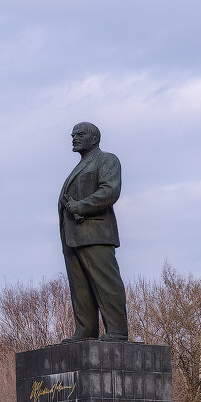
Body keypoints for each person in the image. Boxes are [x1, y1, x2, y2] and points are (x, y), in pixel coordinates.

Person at [58, 121, 129, 342]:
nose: (74, 138)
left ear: (94, 139)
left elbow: (109, 191)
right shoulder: (79, 167)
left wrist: (81, 206)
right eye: (72, 135)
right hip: (72, 238)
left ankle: (117, 331)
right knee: (80, 288)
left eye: (79, 134)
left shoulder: (107, 160)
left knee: (106, 284)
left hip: (96, 233)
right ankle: (85, 330)